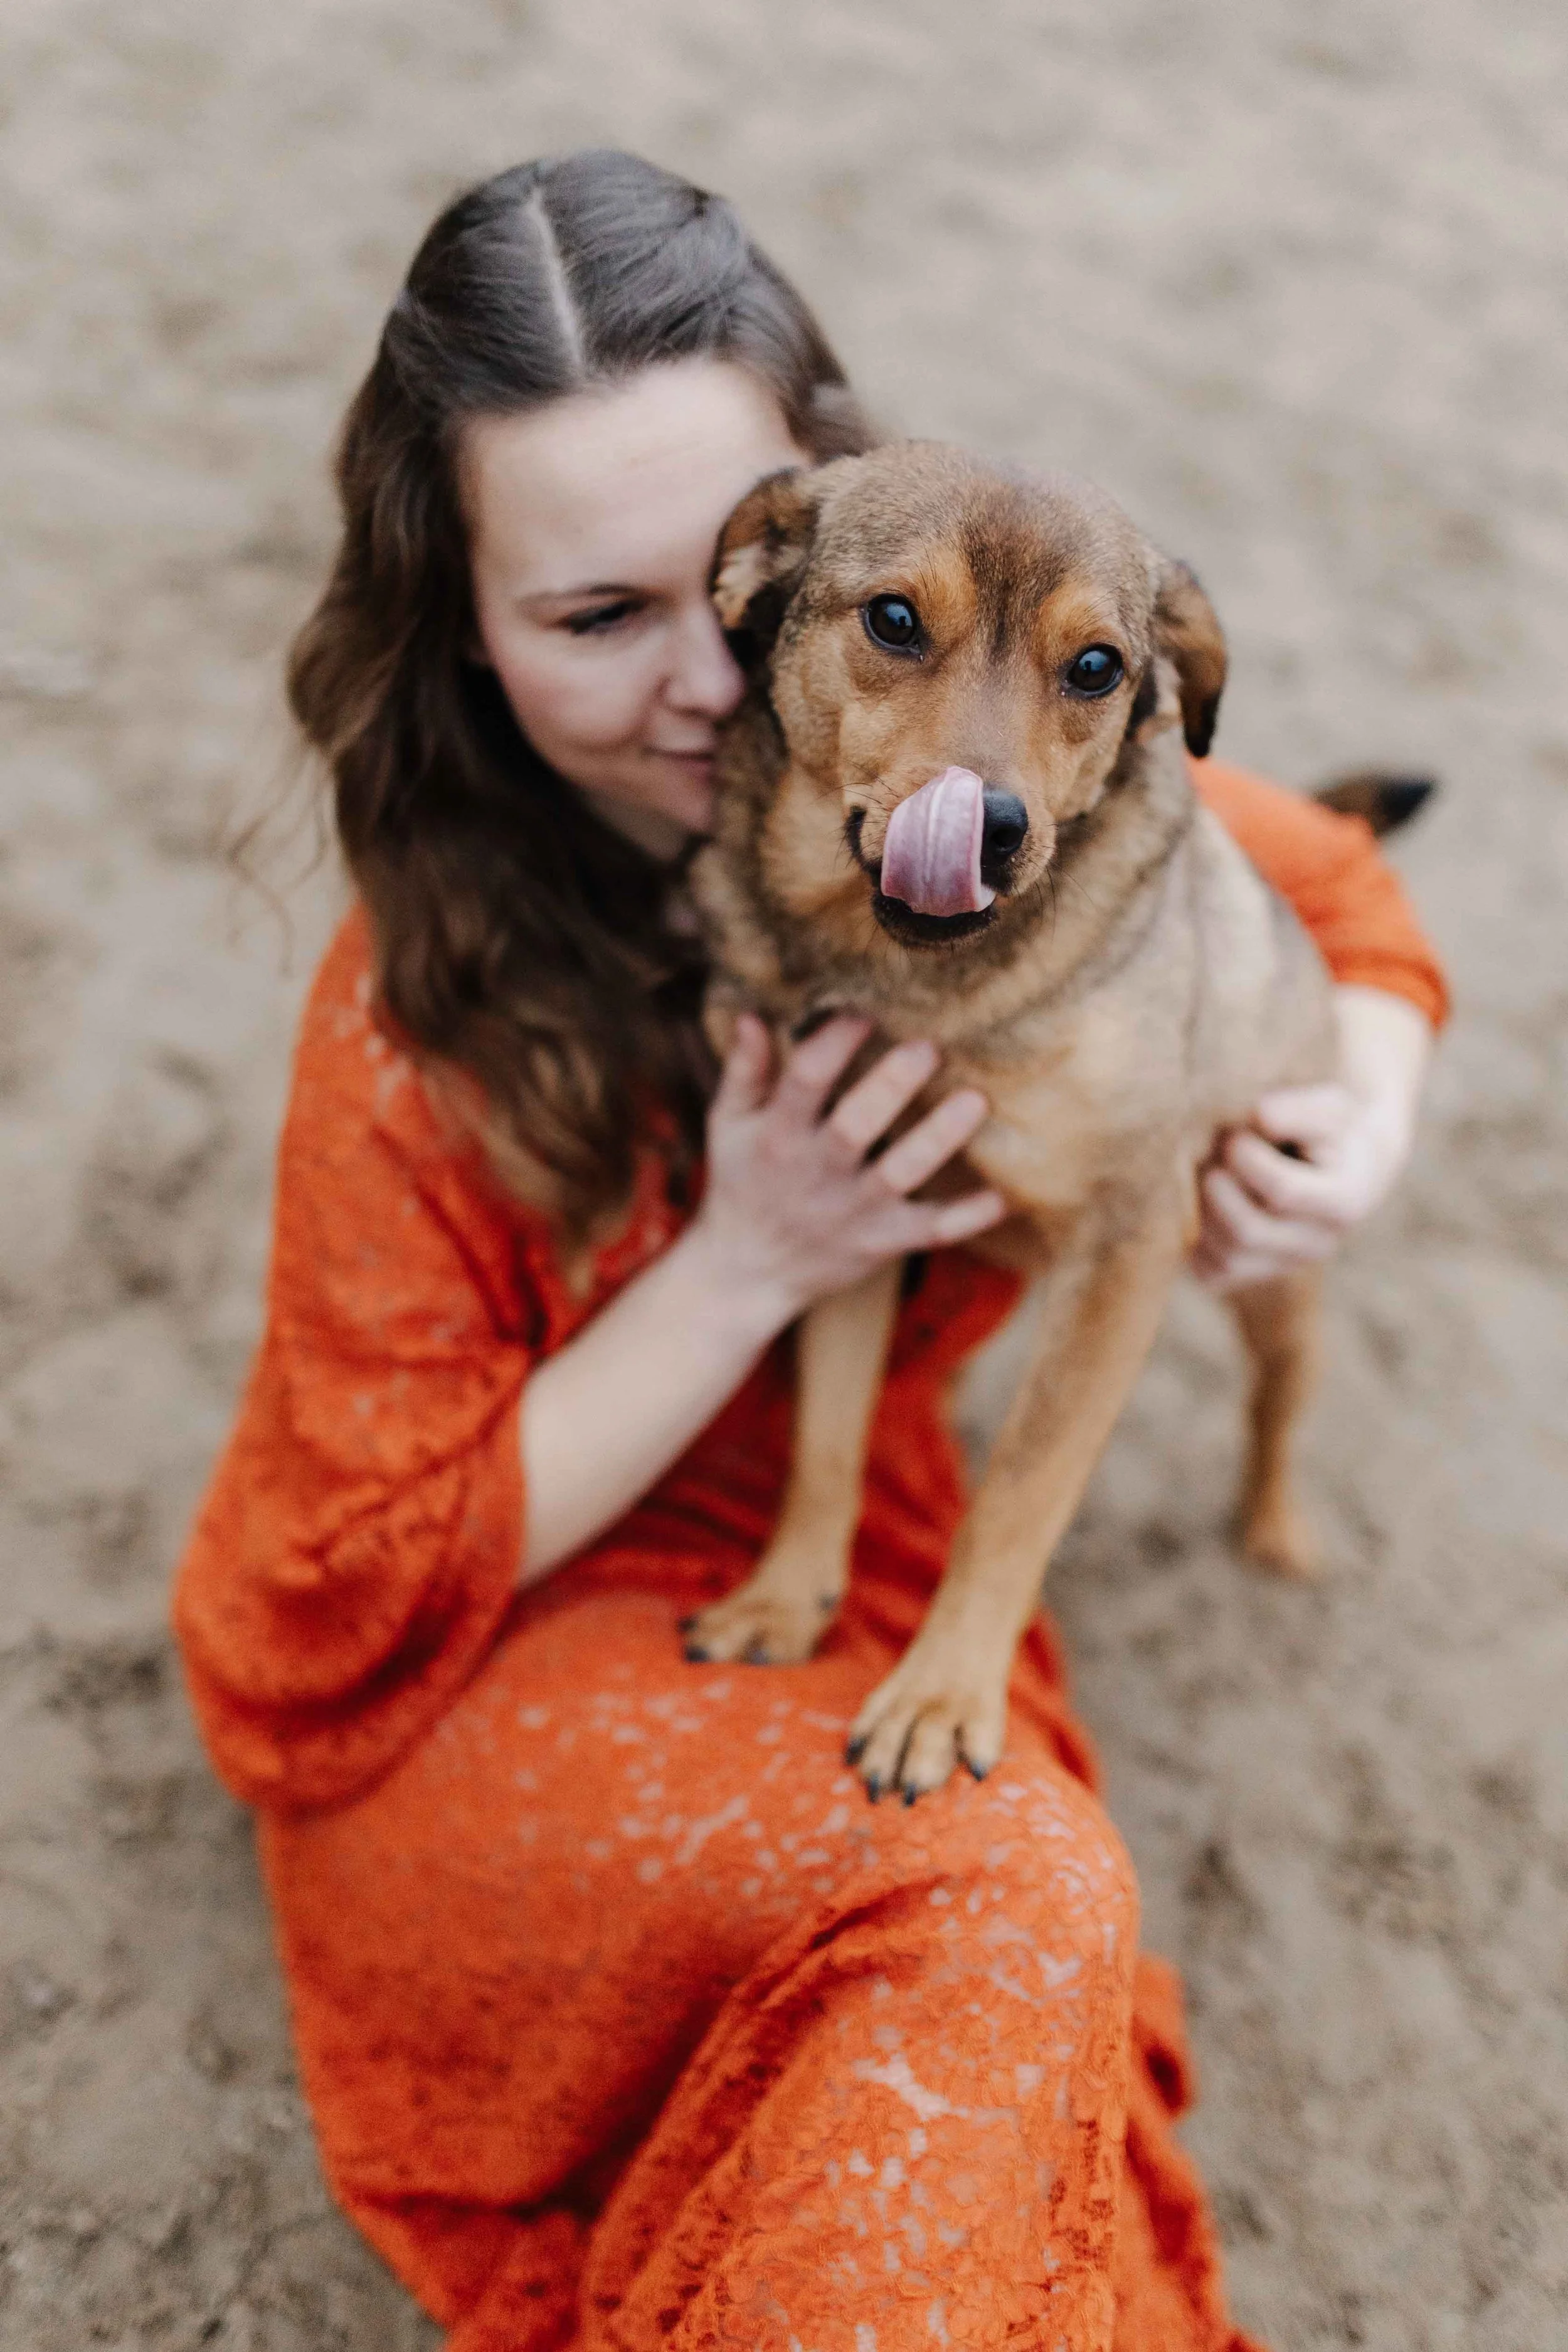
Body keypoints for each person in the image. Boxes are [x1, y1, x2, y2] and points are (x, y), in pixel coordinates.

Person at [175, 151, 1448, 2351]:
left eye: (732, 581)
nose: (722, 677)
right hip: (521, 1644)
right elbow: (324, 1593)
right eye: (596, 617)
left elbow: (1323, 885)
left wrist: (1358, 1122)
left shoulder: (997, 760)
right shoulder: (407, 1023)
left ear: (803, 504)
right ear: (461, 623)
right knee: (993, 1896)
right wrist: (745, 1257)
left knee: (1013, 1907)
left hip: (883, 1559)